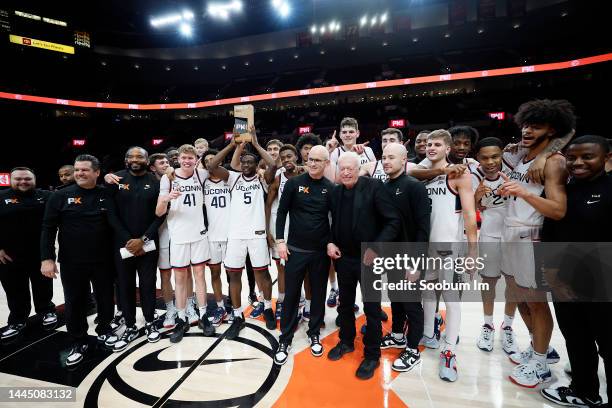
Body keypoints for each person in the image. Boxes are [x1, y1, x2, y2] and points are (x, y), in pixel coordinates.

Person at [499, 99, 574, 388]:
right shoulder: (524, 156)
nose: (528, 130)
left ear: (552, 129)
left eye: (537, 126)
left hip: (531, 236)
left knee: (537, 303)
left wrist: (524, 192)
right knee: (519, 296)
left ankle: (541, 364)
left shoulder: (554, 162)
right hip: (510, 231)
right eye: (526, 125)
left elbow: (558, 209)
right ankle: (538, 347)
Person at [540, 135, 610, 407]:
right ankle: (584, 391)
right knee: (577, 338)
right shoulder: (560, 190)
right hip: (567, 281)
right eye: (572, 157)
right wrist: (553, 275)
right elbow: (551, 233)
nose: (578, 162)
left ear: (606, 157)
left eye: (587, 156)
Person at [326, 151, 401, 380]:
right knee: (345, 305)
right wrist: (330, 241)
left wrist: (376, 247)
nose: (346, 172)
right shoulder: (336, 191)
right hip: (344, 258)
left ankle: (371, 355)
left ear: (359, 169)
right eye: (342, 168)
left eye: (351, 168)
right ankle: (346, 341)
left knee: (371, 308)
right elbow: (329, 222)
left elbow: (392, 221)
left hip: (369, 258)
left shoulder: (374, 187)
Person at [40, 155, 116, 367]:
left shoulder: (107, 193)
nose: (79, 173)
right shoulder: (60, 196)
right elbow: (48, 228)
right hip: (72, 261)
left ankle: (105, 329)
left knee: (106, 298)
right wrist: (47, 258)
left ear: (97, 172)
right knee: (74, 301)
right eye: (77, 170)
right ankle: (78, 340)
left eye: (84, 170)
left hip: (103, 259)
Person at [207, 129, 277, 339]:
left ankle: (267, 308)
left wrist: (255, 144)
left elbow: (273, 164)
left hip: (257, 233)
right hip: (235, 234)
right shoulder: (232, 177)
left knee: (262, 274)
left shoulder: (262, 178)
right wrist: (231, 144)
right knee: (234, 275)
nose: (246, 165)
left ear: (256, 166)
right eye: (243, 162)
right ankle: (237, 316)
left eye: (250, 163)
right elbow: (211, 166)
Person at [420, 129, 477, 382]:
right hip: (426, 247)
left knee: (451, 297)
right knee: (428, 291)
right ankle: (428, 334)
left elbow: (469, 215)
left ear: (448, 148)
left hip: (449, 247)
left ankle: (450, 351)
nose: (431, 147)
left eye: (437, 144)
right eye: (429, 144)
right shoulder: (423, 174)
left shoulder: (459, 175)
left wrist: (472, 250)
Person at [273, 145, 335, 365]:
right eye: (310, 159)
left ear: (327, 163)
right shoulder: (294, 184)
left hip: (319, 252)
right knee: (291, 295)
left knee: (318, 294)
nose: (313, 163)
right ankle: (285, 338)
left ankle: (314, 333)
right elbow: (281, 212)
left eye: (318, 160)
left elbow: (334, 220)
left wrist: (330, 242)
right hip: (295, 250)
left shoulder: (331, 188)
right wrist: (280, 241)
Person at [378, 144, 430, 373]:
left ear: (404, 160)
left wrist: (416, 262)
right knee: (396, 298)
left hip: (410, 256)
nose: (386, 161)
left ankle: (412, 349)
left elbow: (423, 229)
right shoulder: (384, 186)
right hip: (392, 255)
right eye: (383, 157)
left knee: (411, 303)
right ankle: (398, 335)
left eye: (391, 157)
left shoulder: (414, 187)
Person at [105, 147, 164, 351]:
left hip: (148, 242)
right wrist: (129, 240)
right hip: (123, 244)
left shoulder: (156, 182)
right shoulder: (116, 180)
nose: (135, 159)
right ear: (126, 159)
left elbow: (161, 215)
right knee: (125, 285)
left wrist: (143, 239)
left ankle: (149, 321)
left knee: (148, 284)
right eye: (131, 156)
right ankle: (130, 325)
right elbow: (110, 215)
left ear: (147, 160)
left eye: (140, 156)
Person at [156, 144, 215, 343]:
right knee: (179, 279)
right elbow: (158, 212)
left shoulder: (201, 175)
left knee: (199, 276)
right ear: (178, 159)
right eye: (184, 158)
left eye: (191, 158)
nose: (187, 161)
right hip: (178, 236)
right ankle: (181, 319)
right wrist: (166, 198)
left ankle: (203, 315)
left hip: (199, 233)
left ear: (195, 159)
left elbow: (216, 168)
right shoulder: (168, 178)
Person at [471, 138, 519, 354]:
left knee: (514, 284)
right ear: (477, 159)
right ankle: (488, 324)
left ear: (502, 155)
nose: (490, 161)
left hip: (514, 234)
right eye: (485, 157)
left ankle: (507, 326)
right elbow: (468, 209)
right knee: (488, 282)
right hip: (489, 234)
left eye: (495, 156)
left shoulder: (513, 163)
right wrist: (476, 200)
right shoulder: (473, 176)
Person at [0, 168, 56, 341]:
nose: (23, 182)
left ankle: (46, 311)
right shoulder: (1, 197)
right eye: (18, 179)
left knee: (43, 285)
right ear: (11, 180)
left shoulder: (46, 196)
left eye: (27, 179)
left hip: (40, 252)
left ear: (35, 180)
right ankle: (17, 320)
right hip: (9, 255)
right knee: (15, 289)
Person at [265, 145, 304, 321]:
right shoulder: (278, 179)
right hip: (282, 227)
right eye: (283, 158)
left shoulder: (305, 175)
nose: (287, 159)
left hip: (301, 228)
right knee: (282, 268)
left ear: (296, 156)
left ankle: (302, 300)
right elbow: (268, 205)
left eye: (289, 156)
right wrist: (267, 230)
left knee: (302, 268)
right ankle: (281, 301)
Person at [202, 149, 232, 326]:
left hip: (229, 234)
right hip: (211, 235)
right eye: (207, 160)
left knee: (232, 274)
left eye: (214, 159)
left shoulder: (229, 178)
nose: (211, 162)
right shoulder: (202, 181)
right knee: (215, 273)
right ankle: (220, 305)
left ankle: (234, 305)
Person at [148, 153, 178, 328]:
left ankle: (188, 304)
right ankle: (170, 308)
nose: (166, 164)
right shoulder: (150, 184)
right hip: (161, 230)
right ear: (153, 167)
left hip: (180, 228)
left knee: (184, 272)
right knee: (165, 273)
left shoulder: (176, 177)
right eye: (162, 163)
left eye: (168, 162)